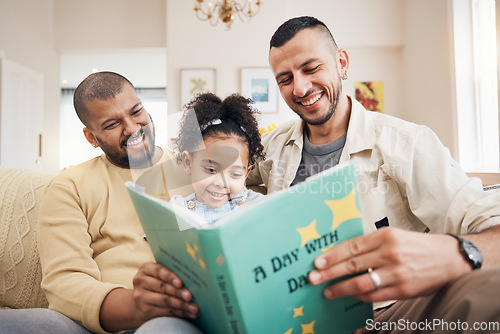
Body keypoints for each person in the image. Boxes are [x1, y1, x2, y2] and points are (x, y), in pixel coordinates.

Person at [247, 16, 500, 332]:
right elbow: (211, 179)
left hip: (385, 313)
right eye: (285, 79)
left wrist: (455, 254)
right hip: (292, 315)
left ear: (342, 63)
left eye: (311, 69)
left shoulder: (407, 143)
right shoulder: (270, 146)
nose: (300, 87)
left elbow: (493, 230)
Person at [0, 71, 202, 334]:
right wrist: (135, 307)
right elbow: (65, 282)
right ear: (91, 138)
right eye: (111, 124)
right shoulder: (69, 186)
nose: (132, 128)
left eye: (136, 111)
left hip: (174, 316)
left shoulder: (194, 170)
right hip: (94, 323)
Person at [169, 92, 265, 224]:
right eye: (211, 170)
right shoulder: (177, 209)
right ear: (188, 163)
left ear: (246, 173)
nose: (221, 183)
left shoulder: (257, 205)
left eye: (235, 174)